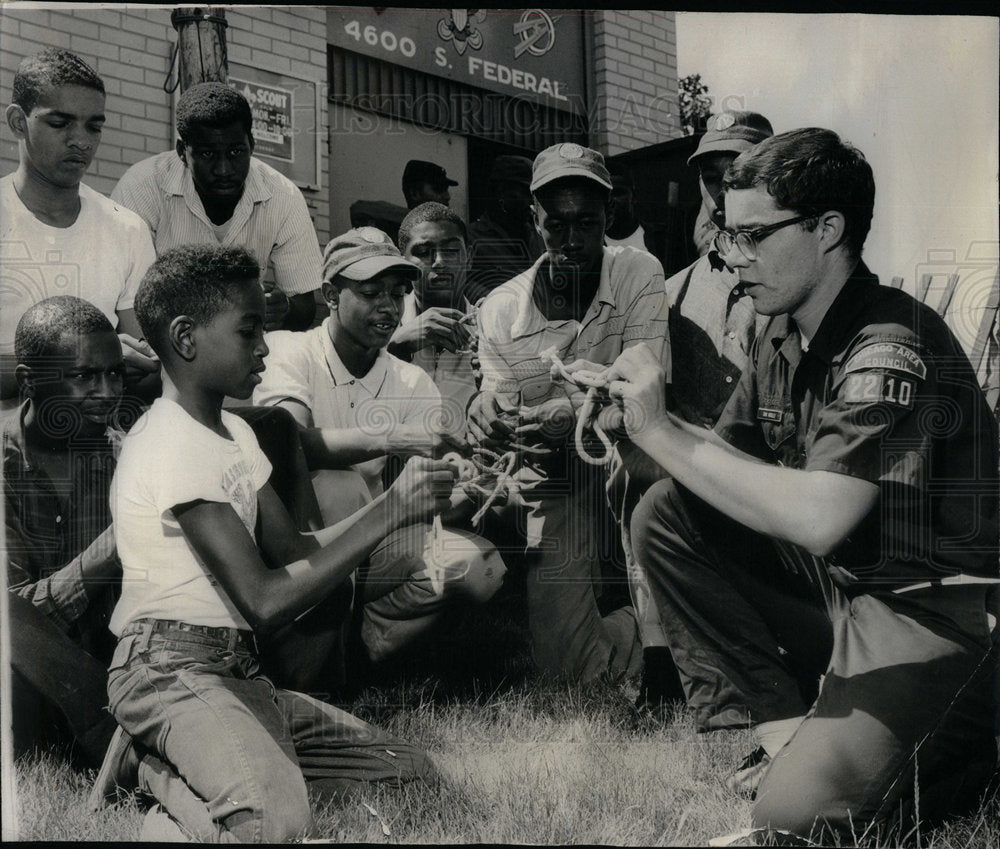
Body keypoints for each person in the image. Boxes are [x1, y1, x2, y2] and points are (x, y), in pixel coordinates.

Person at [604, 128, 999, 843]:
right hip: (847, 594)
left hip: (940, 614)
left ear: (828, 229)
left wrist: (663, 431)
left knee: (792, 820)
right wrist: (638, 421)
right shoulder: (780, 331)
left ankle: (969, 743)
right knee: (667, 513)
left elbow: (821, 515)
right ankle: (782, 726)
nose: (732, 253)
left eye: (754, 234)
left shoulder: (889, 342)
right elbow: (720, 471)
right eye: (728, 232)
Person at [102, 243, 440, 841]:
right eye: (249, 329)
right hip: (168, 668)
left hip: (236, 669)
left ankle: (186, 760)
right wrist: (389, 510)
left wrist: (416, 500)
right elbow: (263, 599)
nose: (264, 346)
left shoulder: (233, 431)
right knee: (272, 822)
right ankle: (155, 770)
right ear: (185, 337)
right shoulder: (170, 442)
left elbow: (296, 554)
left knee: (406, 773)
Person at [253, 227, 505, 668]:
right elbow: (290, 444)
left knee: (478, 565)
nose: (389, 307)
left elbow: (433, 494)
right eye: (371, 292)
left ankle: (360, 648)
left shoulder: (411, 380)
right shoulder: (289, 350)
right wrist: (398, 436)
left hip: (366, 538)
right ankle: (314, 647)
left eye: (398, 292)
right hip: (288, 552)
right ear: (331, 294)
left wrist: (469, 486)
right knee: (339, 486)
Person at [468, 142, 671, 683]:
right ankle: (649, 624)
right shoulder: (500, 308)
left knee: (652, 474)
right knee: (569, 673)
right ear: (535, 220)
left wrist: (569, 410)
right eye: (557, 224)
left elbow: (646, 394)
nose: (574, 239)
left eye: (588, 221)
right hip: (554, 474)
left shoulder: (641, 273)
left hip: (630, 455)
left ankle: (664, 636)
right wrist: (487, 409)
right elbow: (497, 395)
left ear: (609, 216)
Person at [626, 110, 775, 712]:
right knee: (638, 477)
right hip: (695, 461)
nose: (722, 187)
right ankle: (663, 662)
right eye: (712, 175)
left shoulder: (795, 282)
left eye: (737, 171)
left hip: (775, 468)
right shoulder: (673, 290)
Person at [4, 296, 125, 768]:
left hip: (112, 670)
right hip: (27, 694)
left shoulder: (125, 456)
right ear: (28, 382)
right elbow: (16, 619)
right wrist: (113, 546)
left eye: (115, 373)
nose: (107, 391)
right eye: (83, 377)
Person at [0, 49, 158, 402]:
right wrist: (76, 365)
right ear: (17, 122)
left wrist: (134, 364)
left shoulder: (127, 229)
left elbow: (150, 370)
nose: (81, 141)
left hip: (96, 434)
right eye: (60, 124)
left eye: (94, 126)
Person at [111, 82, 319, 332]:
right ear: (182, 152)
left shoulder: (283, 196)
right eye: (208, 154)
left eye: (235, 151)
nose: (223, 169)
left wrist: (282, 309)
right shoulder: (142, 186)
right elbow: (122, 300)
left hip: (242, 351)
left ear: (252, 145)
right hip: (161, 345)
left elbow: (306, 307)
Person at [391, 202, 478, 415]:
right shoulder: (380, 327)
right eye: (423, 252)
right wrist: (396, 347)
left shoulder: (493, 328)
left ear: (469, 257)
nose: (439, 262)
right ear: (403, 263)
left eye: (450, 250)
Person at [465, 154, 545, 303]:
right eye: (527, 193)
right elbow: (465, 286)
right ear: (501, 192)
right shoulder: (471, 239)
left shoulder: (539, 235)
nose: (532, 202)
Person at [604, 163, 658, 256]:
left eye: (618, 193)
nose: (612, 200)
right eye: (606, 195)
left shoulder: (658, 238)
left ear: (634, 198)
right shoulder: (593, 245)